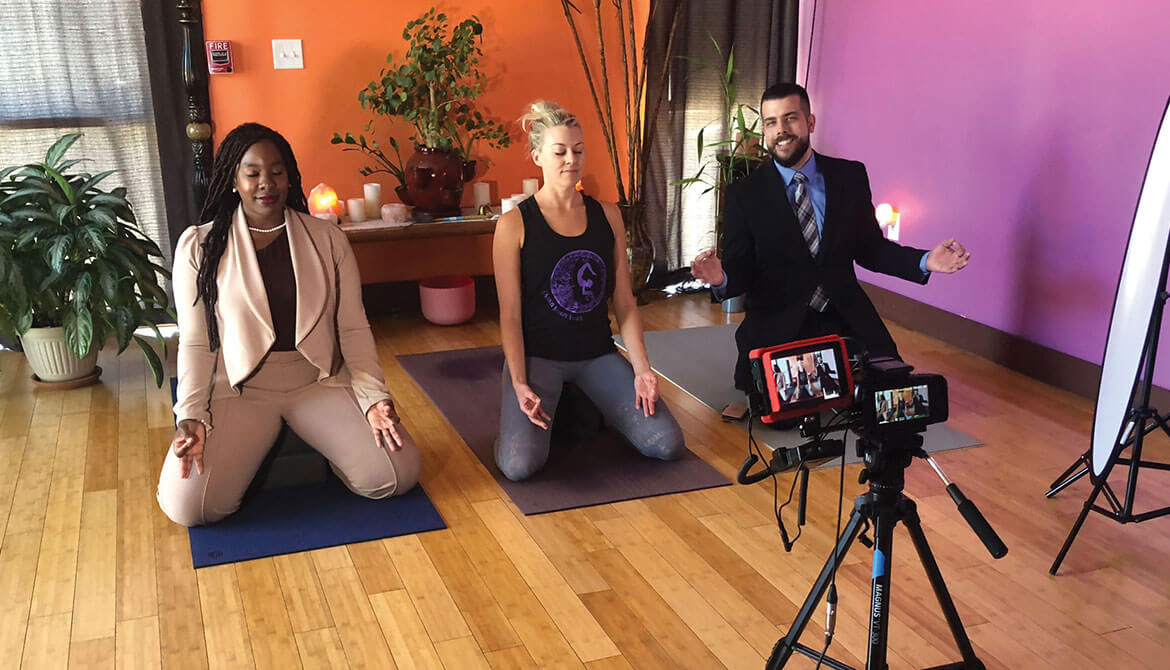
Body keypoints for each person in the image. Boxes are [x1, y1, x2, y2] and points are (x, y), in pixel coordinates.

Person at [158, 122, 421, 526]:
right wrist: (191, 414)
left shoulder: (327, 238)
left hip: (316, 381)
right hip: (238, 388)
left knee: (397, 475)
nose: (267, 183)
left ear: (290, 175)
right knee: (190, 508)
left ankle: (337, 450)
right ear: (233, 179)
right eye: (253, 173)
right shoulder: (200, 246)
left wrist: (373, 399)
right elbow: (196, 342)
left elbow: (352, 327)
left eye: (277, 171)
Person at [691, 82, 970, 393]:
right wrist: (720, 278)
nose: (781, 130)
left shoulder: (849, 177)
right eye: (771, 122)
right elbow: (740, 269)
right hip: (778, 323)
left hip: (845, 315)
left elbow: (871, 250)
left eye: (790, 118)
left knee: (888, 396)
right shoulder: (746, 195)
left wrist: (925, 260)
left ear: (810, 122)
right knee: (788, 411)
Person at [492, 101, 686, 481]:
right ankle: (527, 418)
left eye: (578, 151)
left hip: (596, 354)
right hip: (538, 358)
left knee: (666, 444)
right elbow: (510, 316)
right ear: (537, 157)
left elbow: (625, 303)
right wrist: (518, 381)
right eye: (559, 151)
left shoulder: (607, 215)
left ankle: (584, 406)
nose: (571, 160)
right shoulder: (514, 225)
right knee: (518, 466)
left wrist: (643, 370)